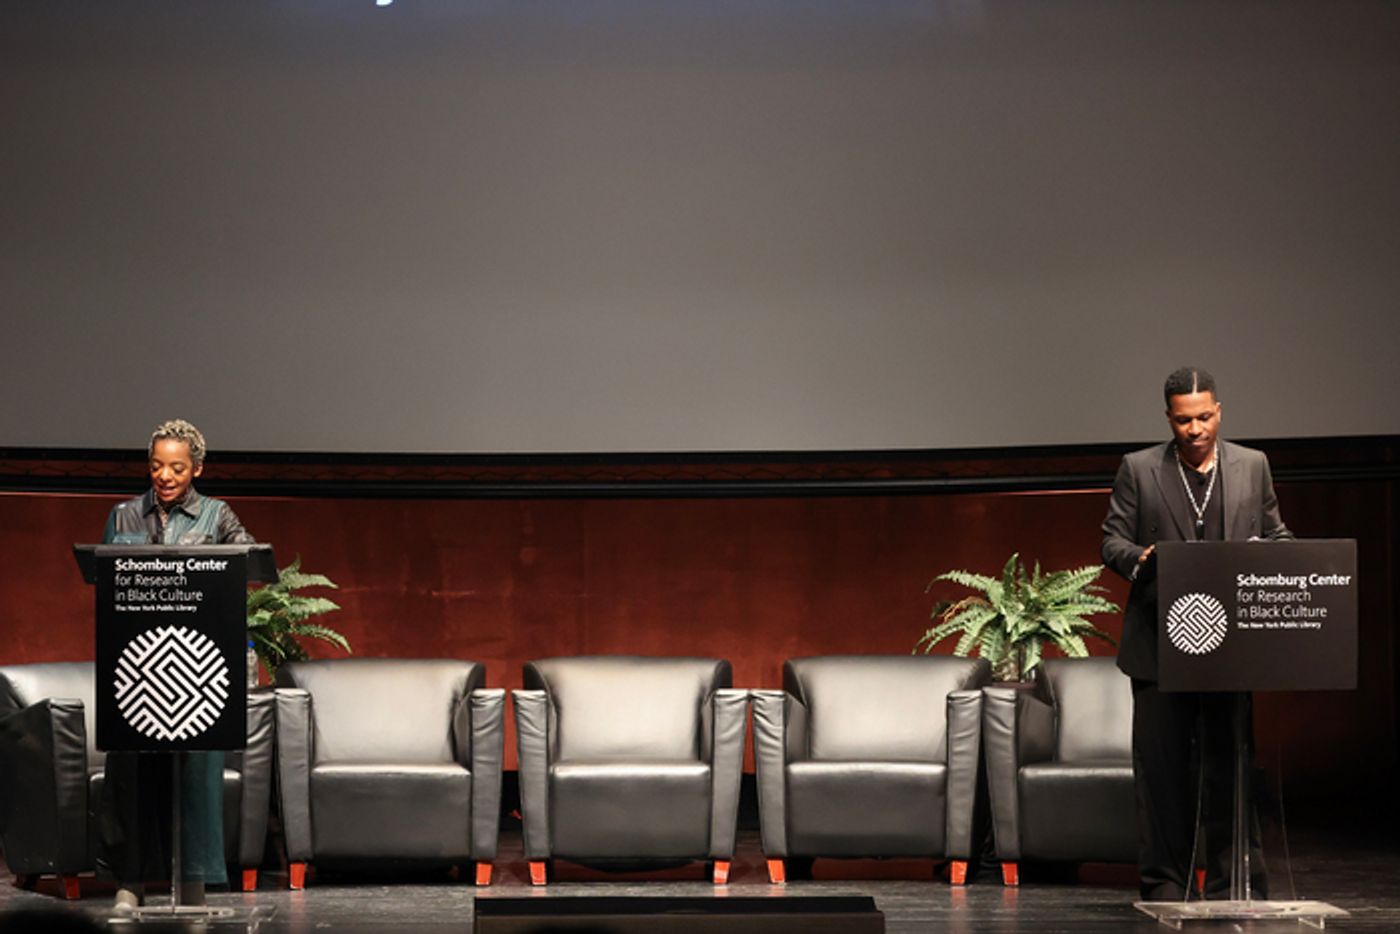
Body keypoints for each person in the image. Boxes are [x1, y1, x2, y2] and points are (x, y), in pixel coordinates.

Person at [1101, 367, 1292, 901]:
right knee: (1162, 774)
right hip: (1161, 646)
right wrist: (1142, 557)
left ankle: (1235, 885)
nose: (1195, 428)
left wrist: (1272, 555)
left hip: (1230, 649)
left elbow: (1277, 534)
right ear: (1168, 418)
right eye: (1184, 420)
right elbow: (1112, 541)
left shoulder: (1252, 465)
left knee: (1229, 768)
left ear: (1219, 412)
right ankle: (1165, 883)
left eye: (1204, 417)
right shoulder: (1139, 469)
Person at [99, 419, 253, 910]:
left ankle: (193, 883)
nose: (165, 476)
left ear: (197, 469)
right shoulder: (122, 516)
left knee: (196, 774)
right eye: (157, 465)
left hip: (195, 666)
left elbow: (249, 562)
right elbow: (106, 581)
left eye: (177, 467)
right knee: (132, 772)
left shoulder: (217, 515)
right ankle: (130, 882)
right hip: (138, 666)